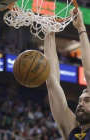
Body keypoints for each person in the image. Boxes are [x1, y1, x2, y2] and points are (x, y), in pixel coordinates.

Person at [44, 8, 90, 140]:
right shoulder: (72, 131)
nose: (80, 104)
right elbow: (52, 82)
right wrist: (49, 33)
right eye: (80, 100)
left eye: (87, 100)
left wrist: (81, 28)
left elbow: (88, 73)